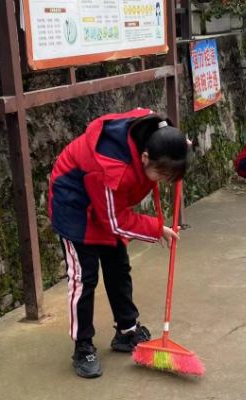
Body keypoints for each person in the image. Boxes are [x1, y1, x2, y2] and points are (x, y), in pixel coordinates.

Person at [48, 109, 189, 379]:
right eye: (162, 174)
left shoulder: (153, 134)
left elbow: (113, 216)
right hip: (75, 206)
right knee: (83, 278)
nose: (165, 180)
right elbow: (115, 222)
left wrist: (178, 148)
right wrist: (156, 229)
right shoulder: (113, 169)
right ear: (145, 158)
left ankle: (126, 330)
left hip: (106, 202)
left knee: (118, 267)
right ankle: (83, 345)